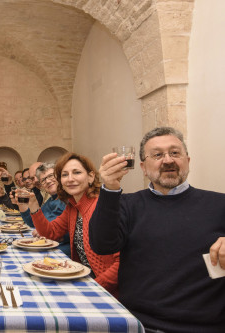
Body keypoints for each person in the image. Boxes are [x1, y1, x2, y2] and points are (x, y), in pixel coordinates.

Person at [89, 127, 225, 332]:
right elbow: (101, 245)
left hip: (205, 327)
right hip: (141, 324)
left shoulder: (219, 204)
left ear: (188, 161)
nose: (168, 160)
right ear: (143, 167)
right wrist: (110, 188)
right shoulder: (127, 204)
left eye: (175, 153)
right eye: (158, 155)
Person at [17, 152, 119, 295]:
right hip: (83, 279)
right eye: (64, 175)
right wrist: (33, 205)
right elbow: (51, 233)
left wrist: (94, 288)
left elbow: (122, 264)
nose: (70, 179)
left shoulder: (102, 205)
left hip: (108, 292)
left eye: (76, 172)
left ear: (91, 176)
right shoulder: (73, 207)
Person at [20, 162, 70, 257]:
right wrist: (21, 204)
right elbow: (32, 222)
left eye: (51, 176)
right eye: (43, 180)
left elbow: (63, 232)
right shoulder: (51, 200)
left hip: (62, 250)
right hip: (49, 245)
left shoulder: (67, 199)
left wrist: (43, 231)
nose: (47, 181)